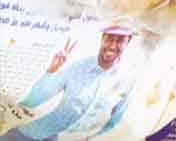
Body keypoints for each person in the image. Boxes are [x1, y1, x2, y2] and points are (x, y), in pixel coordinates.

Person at [2, 29, 135, 140]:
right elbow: (33, 101)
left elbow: (113, 123)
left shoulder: (127, 80)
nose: (112, 45)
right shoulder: (77, 67)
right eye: (109, 38)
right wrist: (51, 72)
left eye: (120, 40)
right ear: (102, 38)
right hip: (30, 135)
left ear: (128, 42)